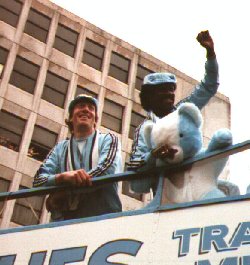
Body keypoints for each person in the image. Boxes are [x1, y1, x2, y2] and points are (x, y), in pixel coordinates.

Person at [128, 30, 219, 192]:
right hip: (168, 202)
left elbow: (209, 86)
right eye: (163, 89)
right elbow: (136, 181)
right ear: (149, 96)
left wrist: (210, 54)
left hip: (200, 189)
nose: (170, 93)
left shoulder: (183, 112)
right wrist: (155, 155)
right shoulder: (145, 130)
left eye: (171, 89)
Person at [33, 94, 122, 221]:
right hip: (63, 223)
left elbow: (107, 171)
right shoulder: (60, 148)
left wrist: (65, 191)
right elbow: (38, 181)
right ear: (70, 117)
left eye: (91, 108)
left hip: (102, 220)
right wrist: (62, 177)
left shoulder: (109, 139)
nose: (86, 109)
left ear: (95, 119)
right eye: (80, 106)